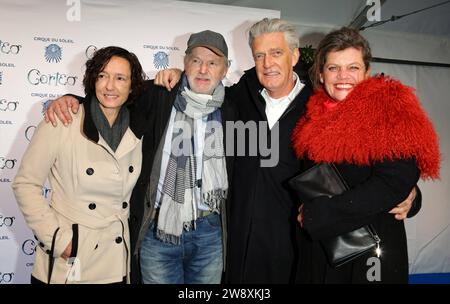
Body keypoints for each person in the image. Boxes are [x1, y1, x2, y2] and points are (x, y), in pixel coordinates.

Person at [46, 19, 417, 284]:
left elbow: (367, 169)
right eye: (259, 55)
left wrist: (410, 195)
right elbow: (119, 101)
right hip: (233, 239)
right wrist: (75, 100)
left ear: (293, 56)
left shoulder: (315, 104)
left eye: (276, 53)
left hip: (296, 241)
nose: (268, 63)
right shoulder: (239, 96)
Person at [44, 30, 237, 284]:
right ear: (184, 62)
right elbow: (113, 102)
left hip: (209, 234)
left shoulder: (234, 107)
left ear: (225, 69)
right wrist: (74, 100)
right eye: (196, 60)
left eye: (213, 63)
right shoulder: (159, 93)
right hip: (158, 231)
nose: (203, 69)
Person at [292, 27, 440, 283]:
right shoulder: (311, 118)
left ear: (367, 72)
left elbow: (395, 180)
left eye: (353, 68)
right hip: (323, 250)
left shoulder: (389, 110)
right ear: (321, 72)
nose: (343, 76)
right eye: (333, 68)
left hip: (371, 253)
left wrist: (322, 214)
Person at [12, 46, 146, 284]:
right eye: (102, 76)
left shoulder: (138, 127)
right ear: (93, 79)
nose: (110, 86)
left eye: (120, 78)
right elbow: (25, 184)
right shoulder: (62, 120)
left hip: (115, 257)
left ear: (132, 85)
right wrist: (57, 240)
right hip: (72, 257)